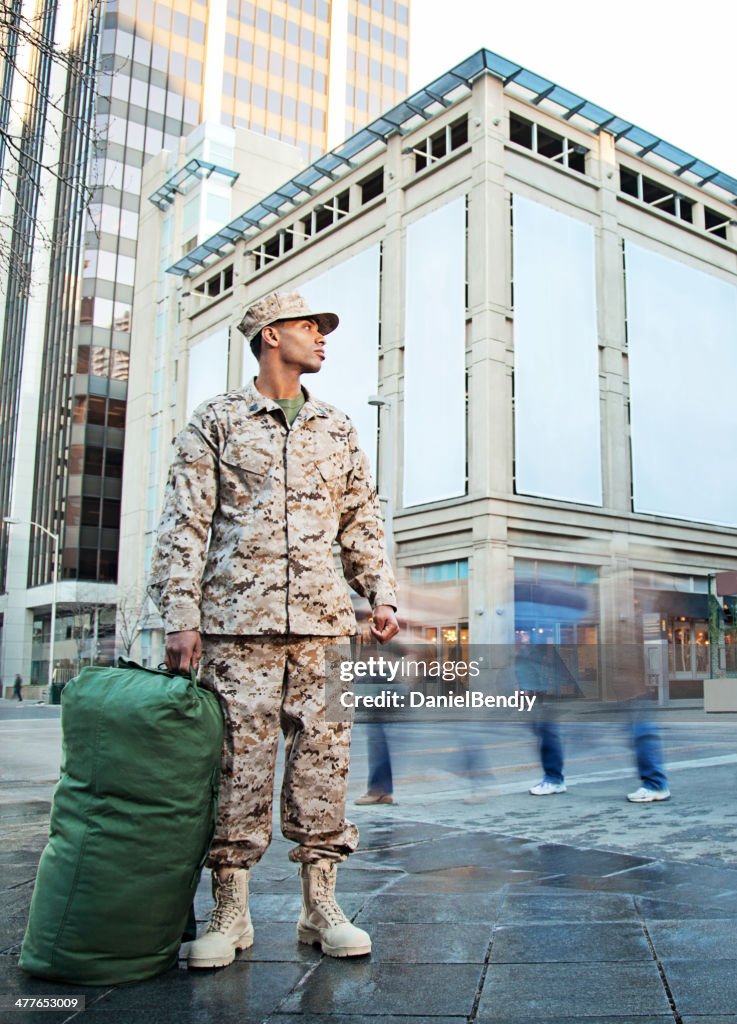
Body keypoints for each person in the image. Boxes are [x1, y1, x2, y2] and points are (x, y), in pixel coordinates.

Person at [148, 291, 398, 969]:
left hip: (323, 623)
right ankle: (232, 911)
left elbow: (360, 518)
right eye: (308, 327)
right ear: (267, 336)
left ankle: (321, 906)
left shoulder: (338, 428)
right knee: (238, 769)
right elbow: (185, 525)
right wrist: (180, 615)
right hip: (236, 628)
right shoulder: (217, 421)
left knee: (324, 766)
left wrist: (378, 592)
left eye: (323, 327)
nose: (322, 338)